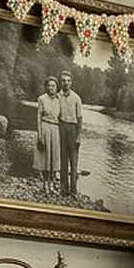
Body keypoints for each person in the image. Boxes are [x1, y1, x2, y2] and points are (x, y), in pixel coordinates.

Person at [58, 71, 83, 200]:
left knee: (73, 161)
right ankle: (64, 189)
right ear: (60, 82)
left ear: (71, 82)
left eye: (68, 80)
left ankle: (73, 190)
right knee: (63, 160)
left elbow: (79, 119)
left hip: (73, 129)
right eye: (63, 80)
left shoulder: (76, 98)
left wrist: (78, 136)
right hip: (61, 127)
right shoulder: (57, 96)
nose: (66, 83)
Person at [35, 77, 61, 195]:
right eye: (49, 85)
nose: (51, 88)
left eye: (53, 85)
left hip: (56, 130)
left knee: (54, 159)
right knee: (45, 158)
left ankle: (51, 184)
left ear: (56, 87)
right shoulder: (41, 99)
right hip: (45, 128)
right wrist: (40, 135)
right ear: (46, 87)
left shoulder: (59, 99)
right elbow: (39, 117)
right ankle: (45, 184)